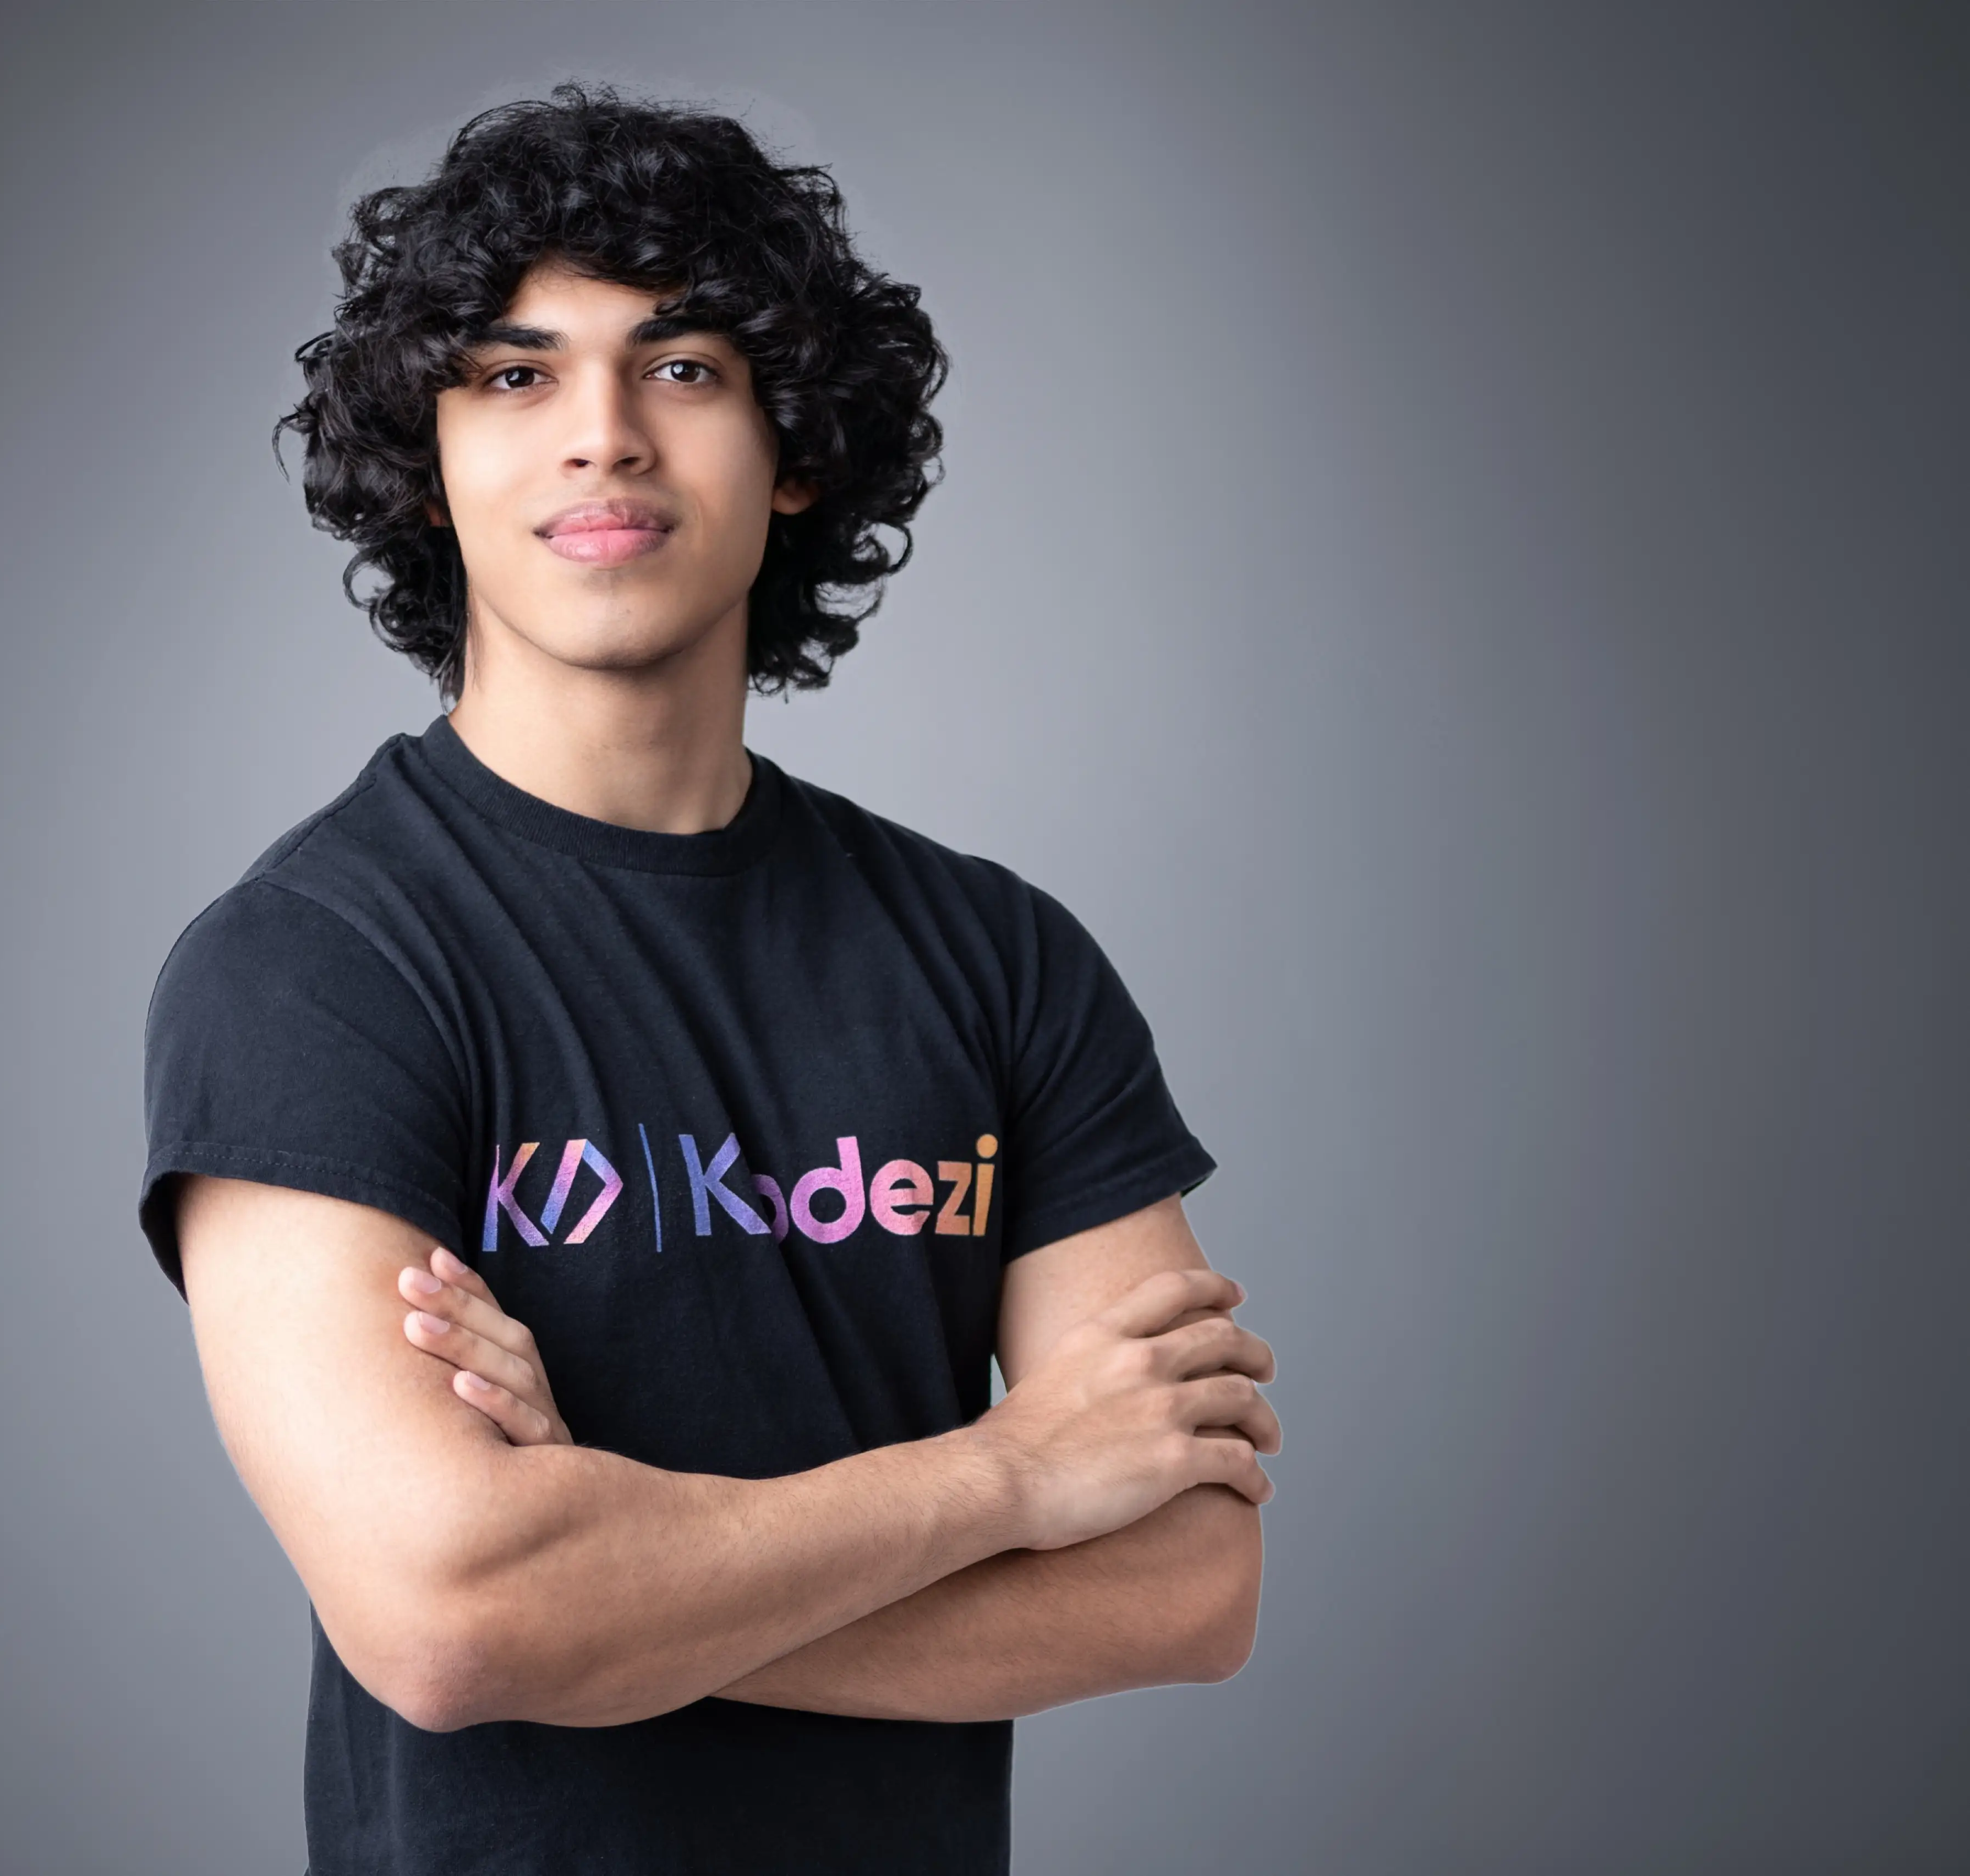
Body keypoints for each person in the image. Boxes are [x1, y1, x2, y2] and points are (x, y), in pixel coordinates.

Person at [136, 80, 1281, 1876]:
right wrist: (1004, 1480)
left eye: (680, 369)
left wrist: (607, 1589)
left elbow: (1188, 1585)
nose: (600, 435)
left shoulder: (998, 957)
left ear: (795, 447)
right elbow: (448, 1617)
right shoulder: (313, 962)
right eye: (513, 376)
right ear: (427, 464)